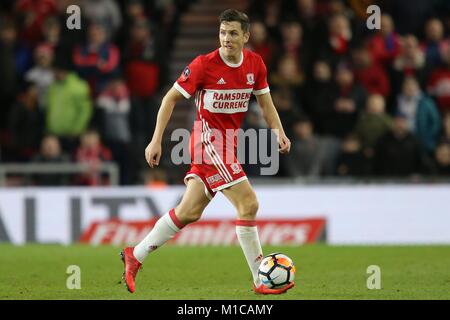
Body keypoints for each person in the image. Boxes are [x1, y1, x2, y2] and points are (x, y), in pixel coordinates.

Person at [120, 9, 293, 295]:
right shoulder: (203, 65)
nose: (226, 38)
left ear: (246, 36)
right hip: (208, 142)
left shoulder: (255, 64)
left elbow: (265, 104)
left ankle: (135, 255)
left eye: (233, 33)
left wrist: (279, 132)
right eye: (223, 32)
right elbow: (169, 99)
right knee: (248, 204)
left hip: (229, 145)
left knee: (189, 212)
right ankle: (260, 278)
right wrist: (155, 140)